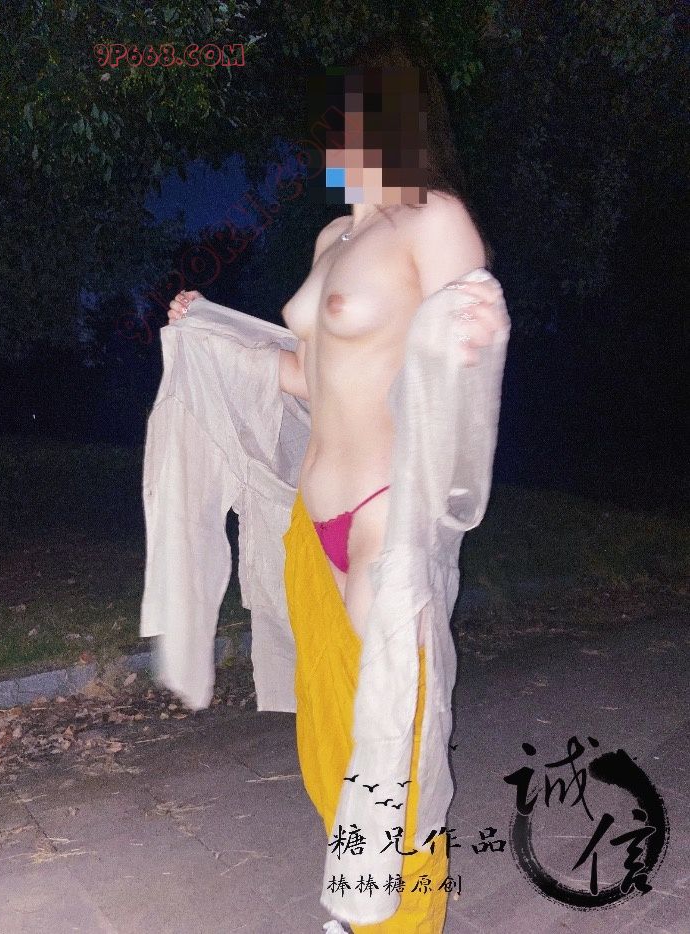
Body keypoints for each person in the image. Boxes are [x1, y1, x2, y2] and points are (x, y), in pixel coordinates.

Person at [167, 37, 508, 934]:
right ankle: (362, 905)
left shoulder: (433, 220)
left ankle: (405, 921)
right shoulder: (332, 238)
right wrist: (211, 332)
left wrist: (474, 331)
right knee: (330, 730)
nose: (334, 135)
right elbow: (311, 376)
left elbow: (470, 342)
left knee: (394, 735)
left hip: (385, 515)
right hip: (309, 512)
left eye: (352, 114)